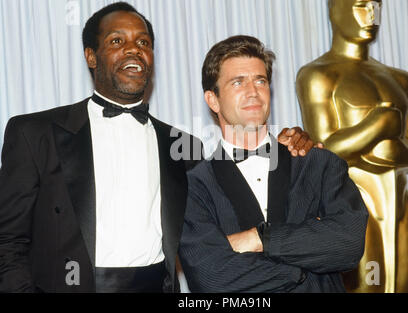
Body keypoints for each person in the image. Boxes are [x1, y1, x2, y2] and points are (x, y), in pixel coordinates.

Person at [0, 3, 314, 292]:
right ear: (91, 56)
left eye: (143, 43)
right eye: (116, 41)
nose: (133, 50)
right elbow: (8, 240)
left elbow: (228, 208)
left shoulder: (184, 146)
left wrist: (282, 145)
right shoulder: (35, 133)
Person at [178, 35, 369, 292]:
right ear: (213, 100)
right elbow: (211, 279)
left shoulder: (318, 163)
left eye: (261, 80)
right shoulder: (195, 186)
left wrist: (260, 239)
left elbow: (348, 244)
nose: (253, 92)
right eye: (238, 82)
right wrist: (304, 272)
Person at [296, 0, 408, 292]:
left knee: (399, 287)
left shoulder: (400, 79)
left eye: (377, 7)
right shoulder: (319, 75)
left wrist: (390, 150)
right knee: (368, 287)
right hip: (352, 202)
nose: (372, 16)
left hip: (399, 204)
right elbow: (324, 149)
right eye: (362, 6)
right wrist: (378, 126)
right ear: (334, 9)